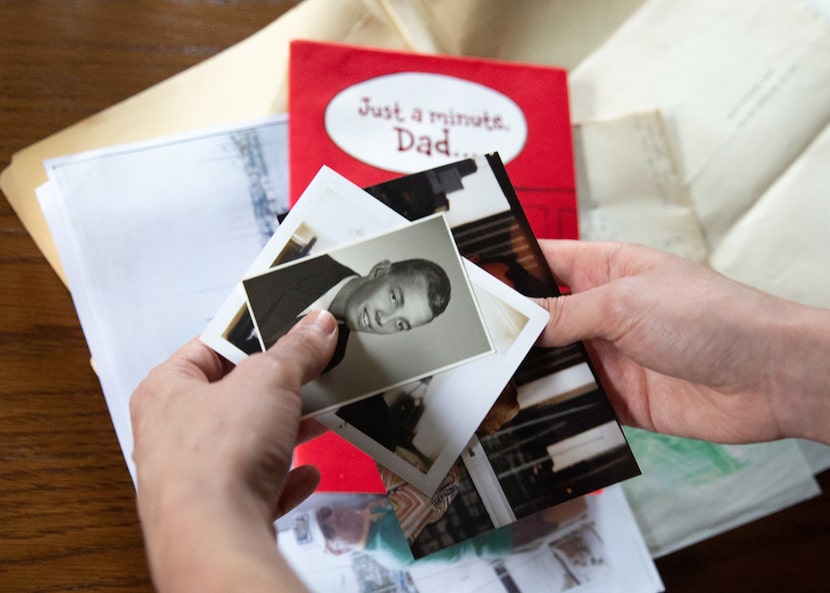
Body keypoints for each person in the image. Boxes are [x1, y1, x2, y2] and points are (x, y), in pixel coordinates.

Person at [129, 240, 830, 592]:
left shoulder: (392, 400)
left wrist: (192, 505)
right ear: (375, 275)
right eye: (393, 298)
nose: (385, 316)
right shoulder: (298, 281)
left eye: (403, 321)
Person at [242, 253, 451, 371]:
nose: (384, 320)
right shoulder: (302, 259)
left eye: (400, 324)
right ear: (378, 272)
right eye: (394, 298)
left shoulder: (333, 354)